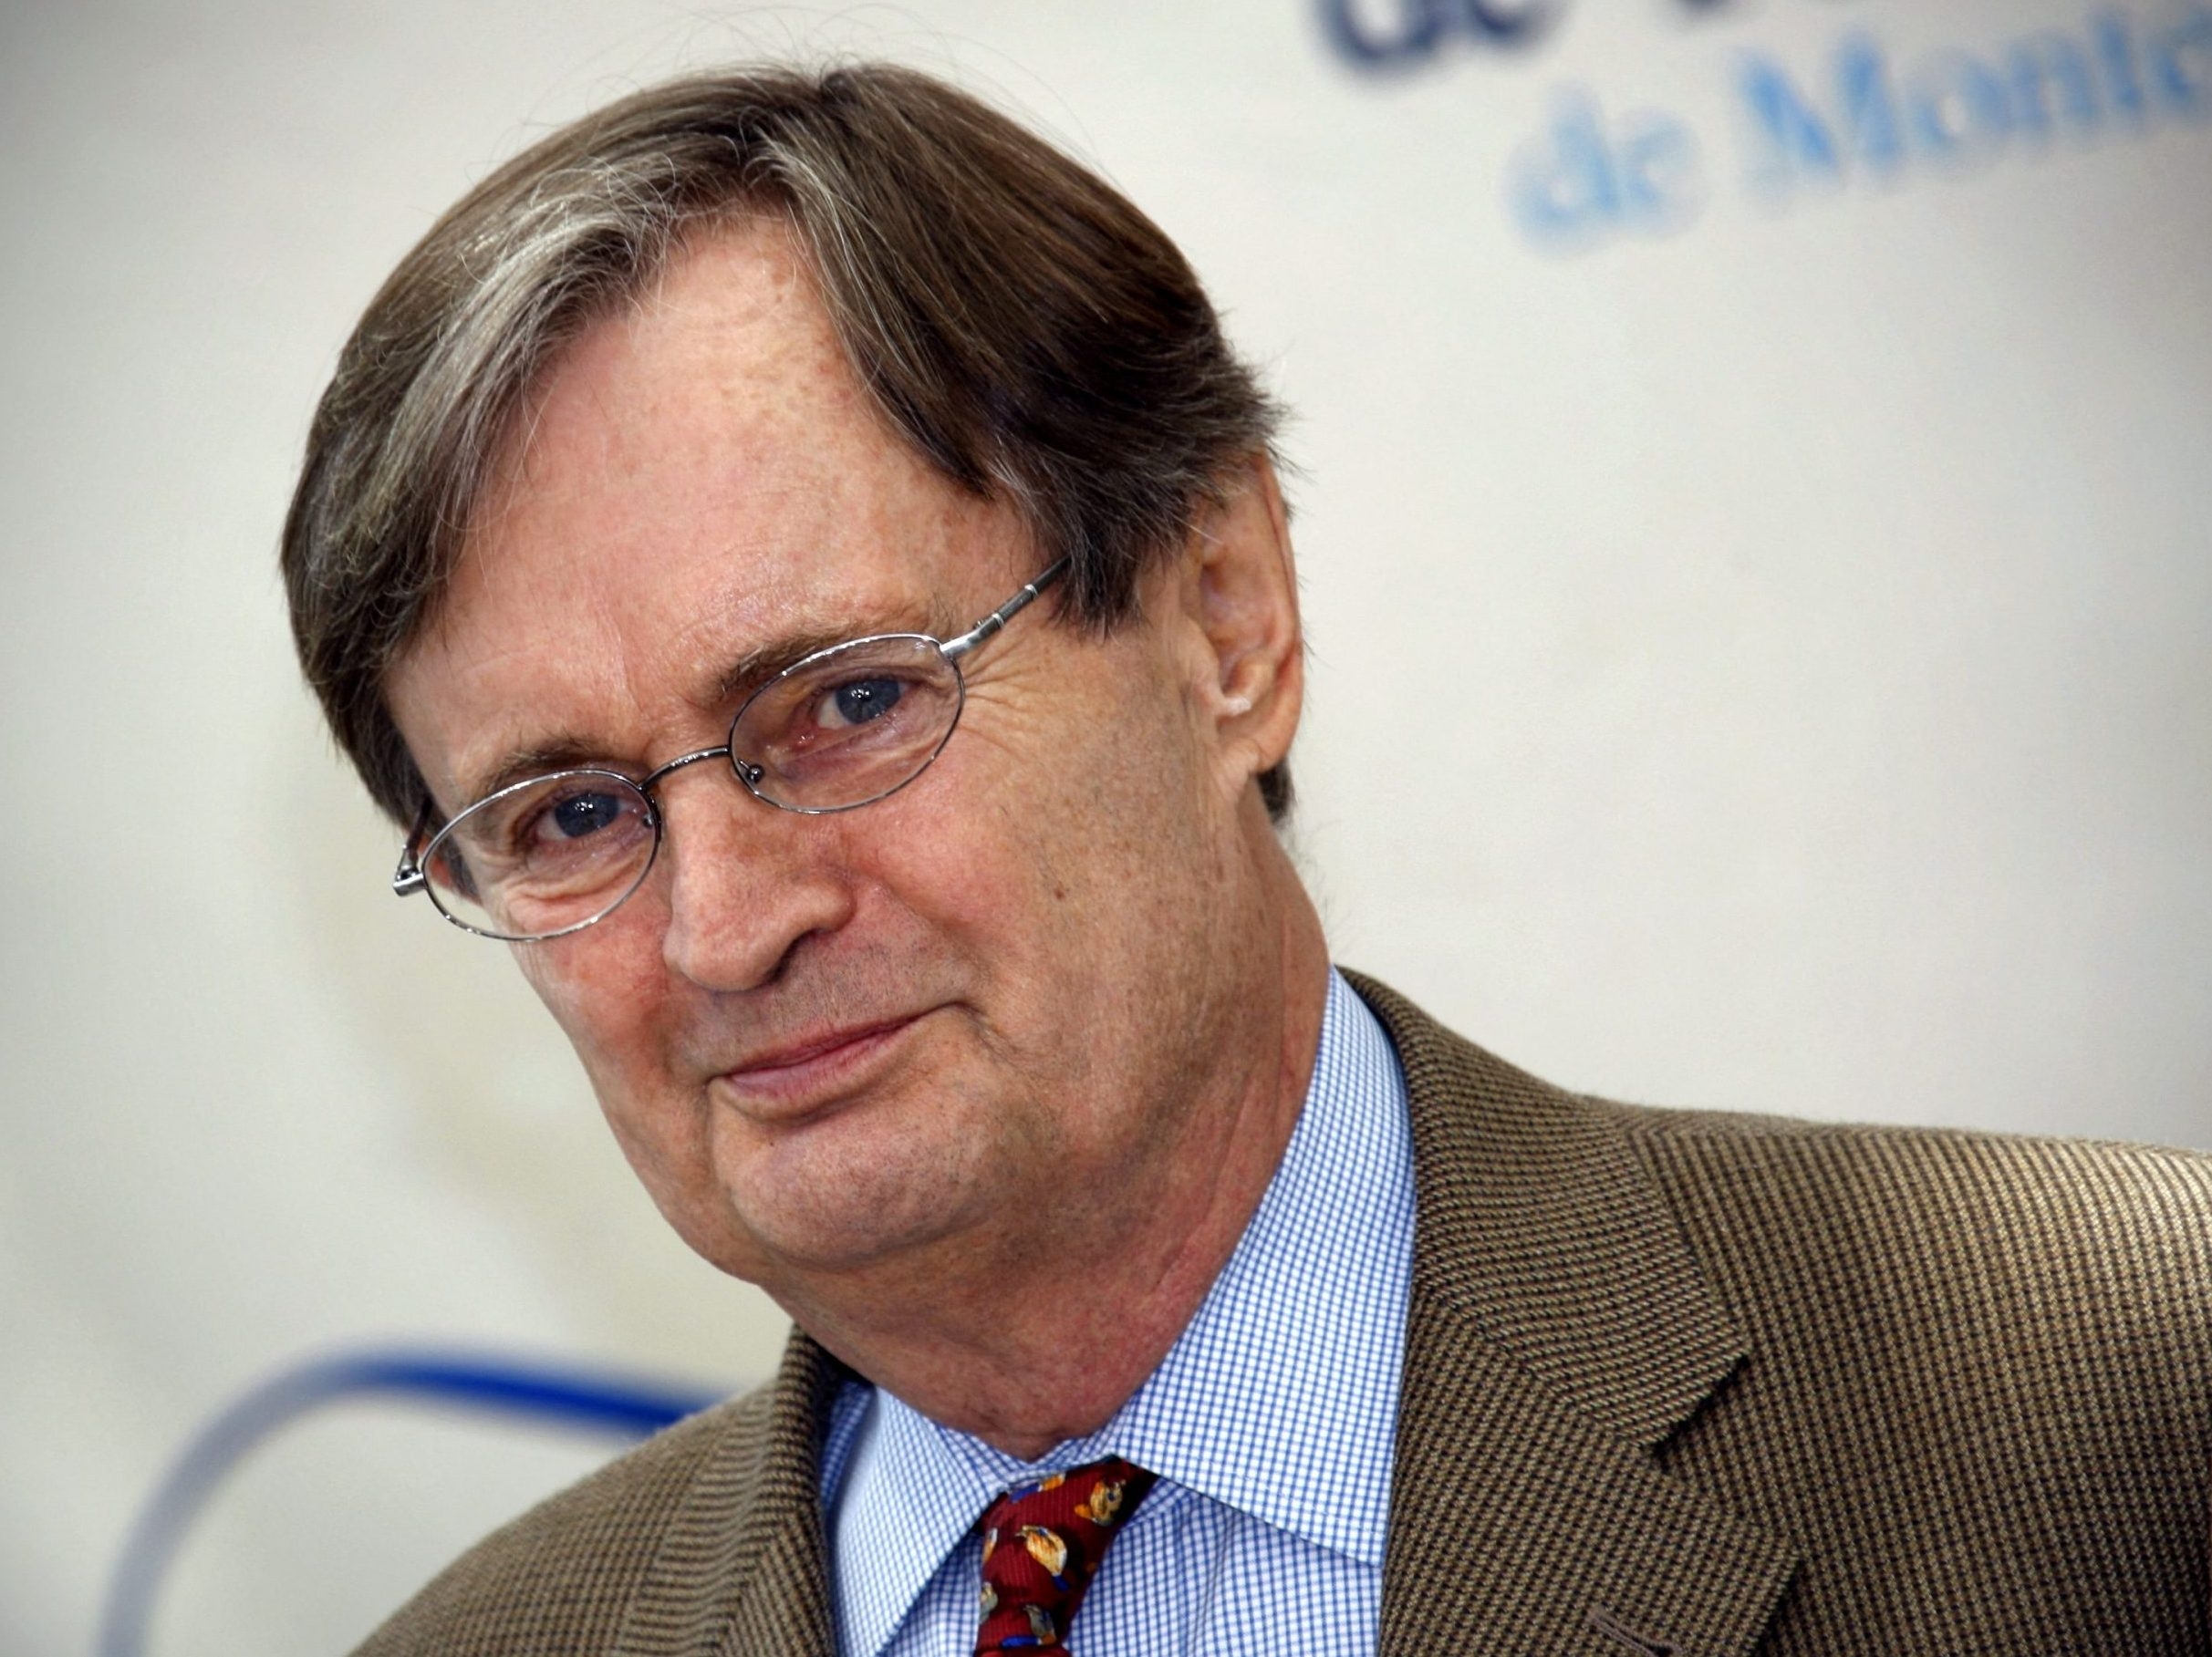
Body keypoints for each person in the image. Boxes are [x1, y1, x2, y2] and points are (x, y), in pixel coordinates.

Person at [282, 62, 2210, 1657]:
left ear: (1226, 621)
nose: (720, 924)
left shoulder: (2119, 1406)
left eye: (847, 706)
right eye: (568, 818)